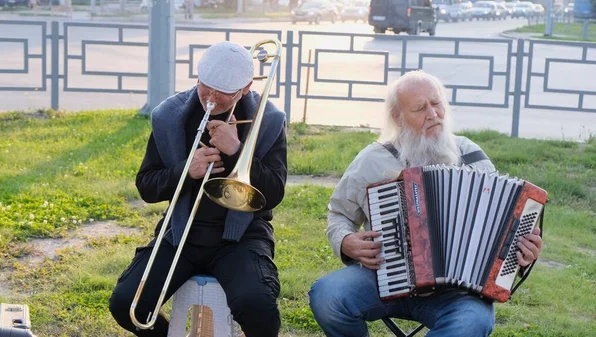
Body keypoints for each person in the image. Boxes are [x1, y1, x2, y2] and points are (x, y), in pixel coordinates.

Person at [308, 70, 543, 337]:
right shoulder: (373, 160)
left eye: (436, 103)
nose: (432, 114)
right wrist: (345, 240)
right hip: (384, 277)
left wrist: (521, 253)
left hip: (456, 292)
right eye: (420, 108)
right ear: (398, 117)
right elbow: (339, 214)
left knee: (473, 322)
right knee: (328, 296)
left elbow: (503, 227)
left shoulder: (471, 156)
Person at [108, 41, 287, 337]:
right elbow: (147, 187)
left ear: (245, 88)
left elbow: (275, 193)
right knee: (127, 304)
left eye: (223, 92)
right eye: (206, 86)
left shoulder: (268, 119)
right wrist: (186, 172)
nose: (211, 98)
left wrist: (237, 150)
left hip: (243, 237)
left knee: (259, 306)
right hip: (181, 232)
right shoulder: (169, 115)